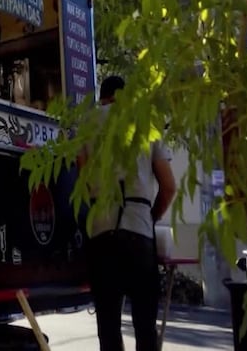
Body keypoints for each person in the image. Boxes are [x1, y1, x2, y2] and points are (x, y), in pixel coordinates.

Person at [79, 75, 176, 351]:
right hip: (139, 234)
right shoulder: (146, 123)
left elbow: (82, 183)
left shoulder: (88, 123)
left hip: (101, 235)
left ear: (102, 99)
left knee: (108, 330)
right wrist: (150, 216)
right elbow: (169, 187)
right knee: (145, 328)